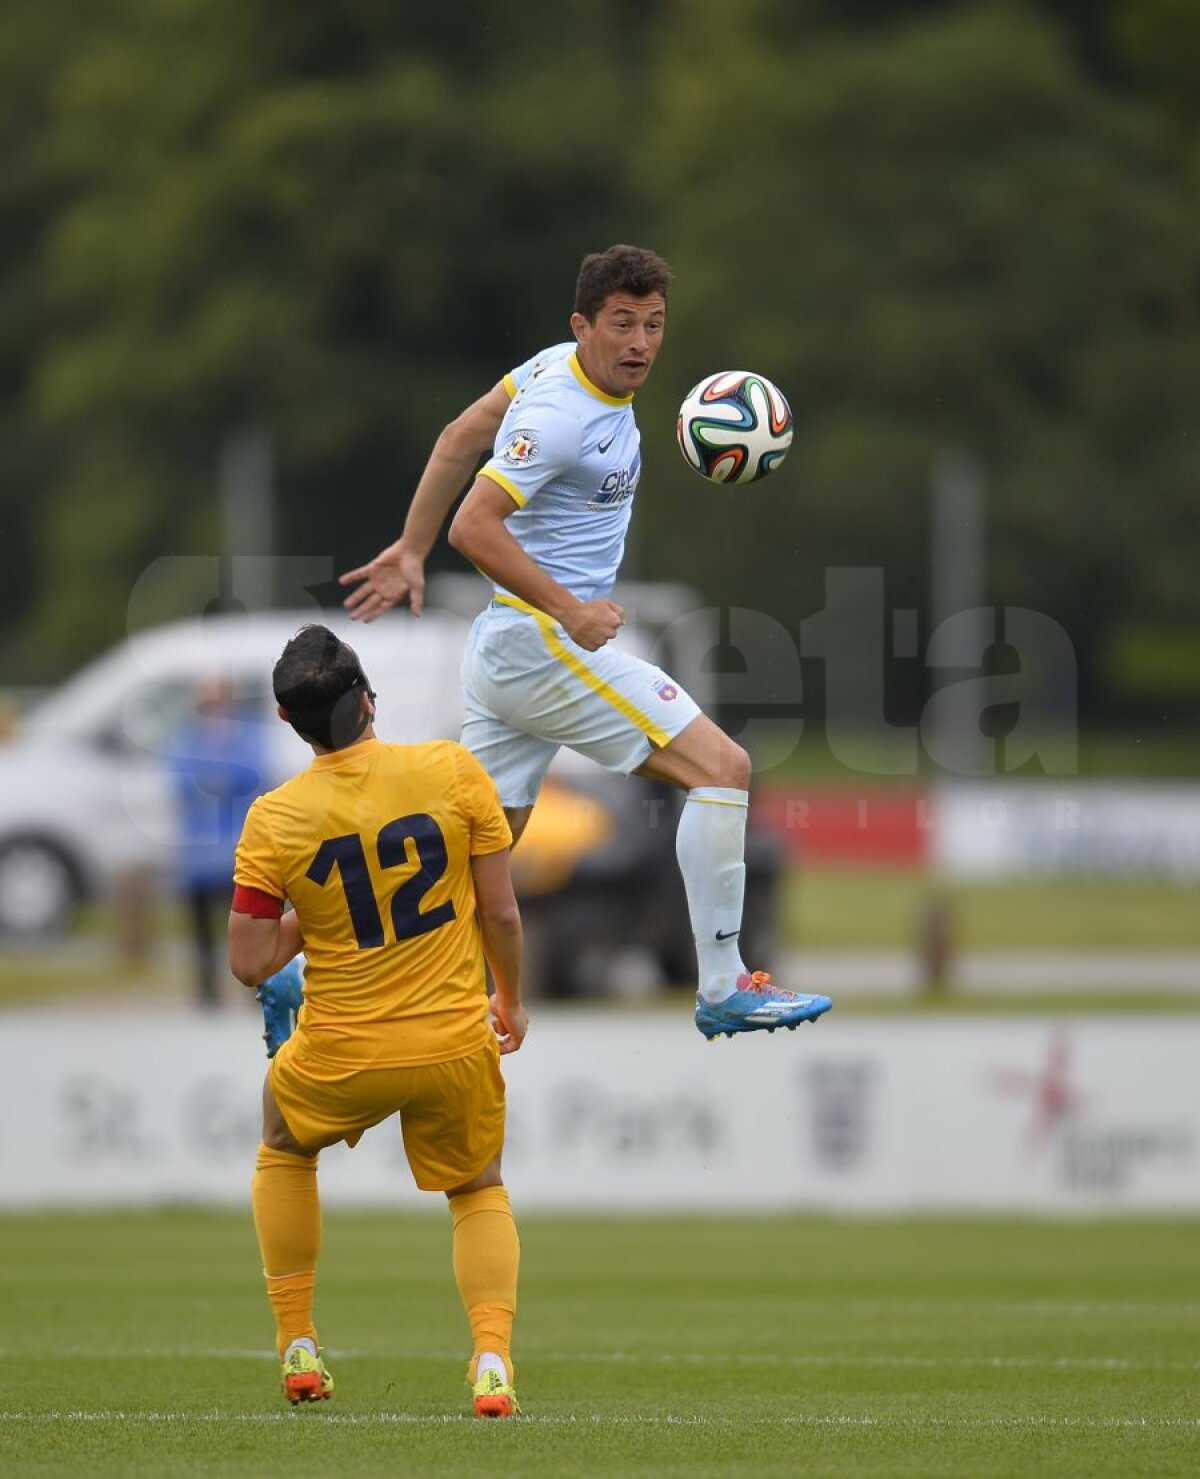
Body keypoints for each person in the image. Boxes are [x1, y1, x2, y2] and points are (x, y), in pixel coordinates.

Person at [340, 243, 831, 1039]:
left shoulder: (549, 367)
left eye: (654, 324)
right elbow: (476, 524)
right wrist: (568, 608)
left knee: (474, 859)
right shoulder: (560, 416)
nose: (640, 342)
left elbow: (460, 435)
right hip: (545, 645)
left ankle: (320, 967)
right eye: (622, 324)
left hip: (506, 652)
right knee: (723, 767)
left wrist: (408, 548)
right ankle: (723, 983)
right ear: (583, 326)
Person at [228, 623, 527, 1417]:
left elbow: (250, 960)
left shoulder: (274, 818)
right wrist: (511, 1000)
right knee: (478, 1185)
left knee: (283, 1142)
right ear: (367, 698)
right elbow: (499, 911)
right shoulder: (451, 769)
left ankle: (297, 1341)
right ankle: (491, 1359)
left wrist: (316, 914)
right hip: (453, 1038)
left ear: (289, 721)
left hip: (343, 1050)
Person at [170, 677, 267, 1008]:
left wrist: (214, 776)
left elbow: (254, 775)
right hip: (199, 855)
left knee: (246, 923)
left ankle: (255, 988)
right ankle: (207, 991)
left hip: (237, 852)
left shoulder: (246, 735)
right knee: (203, 930)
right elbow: (181, 780)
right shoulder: (188, 738)